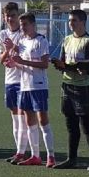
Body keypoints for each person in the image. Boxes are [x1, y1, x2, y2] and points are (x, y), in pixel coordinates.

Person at [51, 9, 89, 171]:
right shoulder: (66, 40)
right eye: (70, 20)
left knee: (87, 126)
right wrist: (60, 66)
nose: (71, 23)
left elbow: (87, 66)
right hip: (67, 85)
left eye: (74, 20)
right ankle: (71, 158)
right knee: (70, 124)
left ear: (83, 22)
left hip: (83, 87)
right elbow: (64, 62)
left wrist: (67, 66)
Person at [11, 12, 56, 167]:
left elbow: (44, 64)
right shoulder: (22, 41)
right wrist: (15, 63)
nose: (22, 27)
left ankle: (51, 155)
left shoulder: (41, 40)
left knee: (43, 120)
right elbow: (22, 63)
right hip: (24, 86)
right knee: (29, 121)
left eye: (25, 24)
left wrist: (22, 61)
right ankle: (35, 155)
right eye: (21, 24)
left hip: (38, 86)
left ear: (33, 24)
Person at [0, 2, 29, 164]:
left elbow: (28, 54)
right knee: (14, 117)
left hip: (23, 80)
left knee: (23, 116)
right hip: (9, 79)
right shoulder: (2, 34)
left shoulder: (24, 33)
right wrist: (6, 51)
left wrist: (14, 48)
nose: (10, 19)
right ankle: (19, 151)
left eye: (13, 15)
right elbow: (1, 60)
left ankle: (22, 152)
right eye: (7, 16)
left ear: (18, 15)